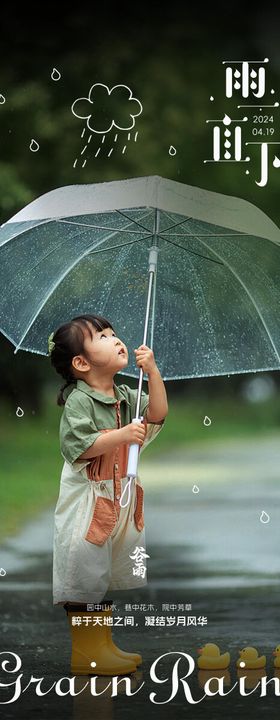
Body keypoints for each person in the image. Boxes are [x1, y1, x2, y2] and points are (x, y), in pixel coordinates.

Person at [49, 314, 168, 676]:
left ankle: (102, 645)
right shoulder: (79, 401)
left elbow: (157, 413)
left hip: (115, 499)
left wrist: (153, 372)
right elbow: (81, 446)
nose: (115, 339)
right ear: (81, 363)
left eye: (114, 333)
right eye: (102, 336)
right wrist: (123, 435)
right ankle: (86, 653)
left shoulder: (125, 394)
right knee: (83, 574)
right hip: (87, 504)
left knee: (100, 575)